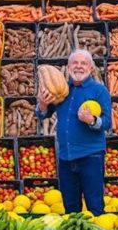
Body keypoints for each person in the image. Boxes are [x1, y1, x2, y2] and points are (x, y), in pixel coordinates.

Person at [36, 49, 111, 215]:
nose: (78, 67)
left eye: (83, 63)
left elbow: (107, 123)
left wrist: (91, 120)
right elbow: (43, 114)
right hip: (65, 157)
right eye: (74, 63)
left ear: (91, 68)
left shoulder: (99, 91)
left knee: (95, 205)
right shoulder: (62, 90)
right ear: (68, 67)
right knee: (70, 206)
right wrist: (42, 104)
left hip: (90, 156)